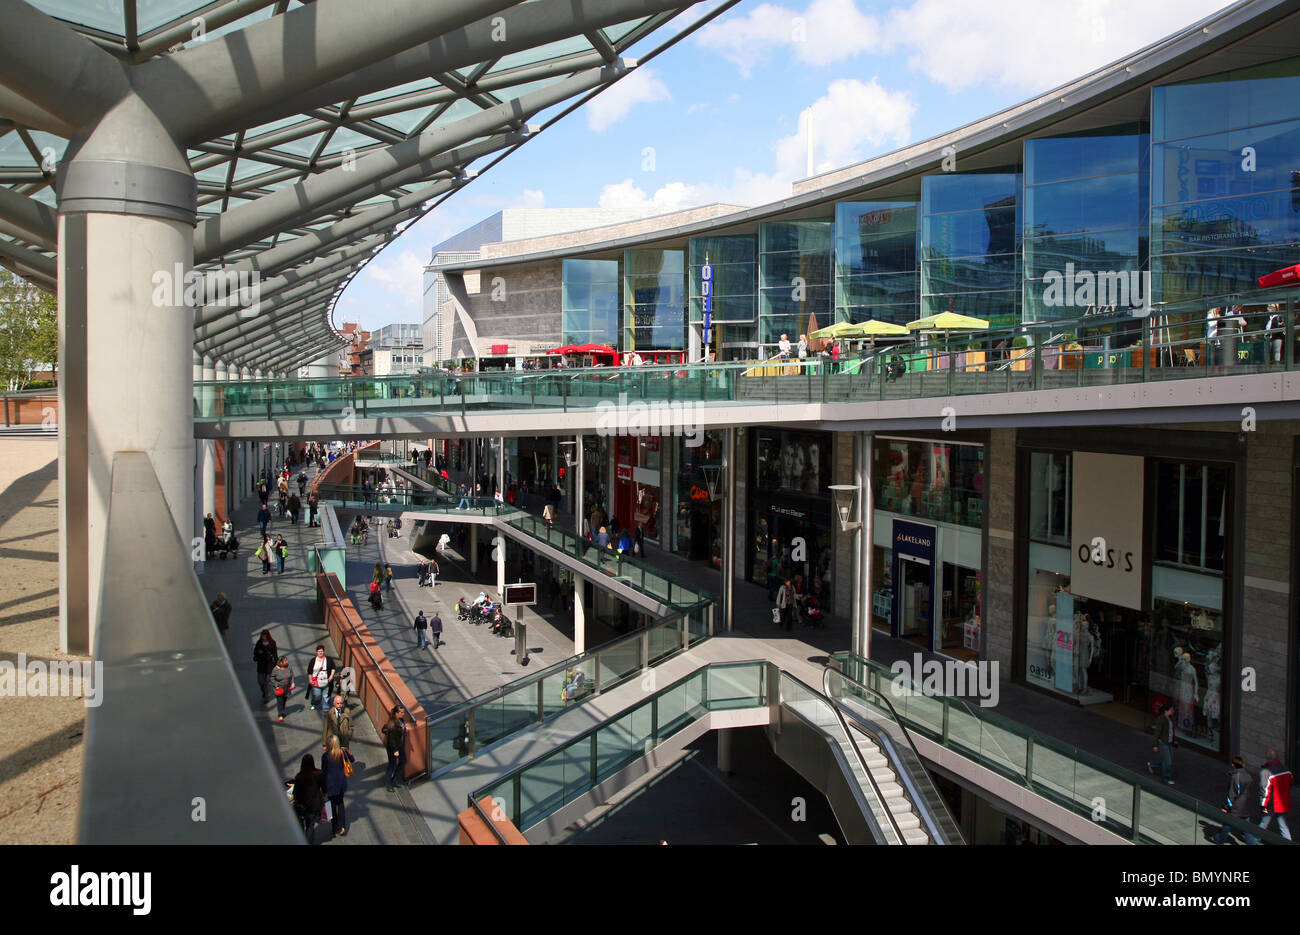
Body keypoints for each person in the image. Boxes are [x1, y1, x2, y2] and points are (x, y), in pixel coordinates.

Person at [1213, 755, 1256, 845]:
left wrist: (1225, 807)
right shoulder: (1249, 776)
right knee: (1247, 829)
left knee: (1227, 825)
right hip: (1246, 806)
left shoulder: (1235, 777)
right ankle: (1252, 843)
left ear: (1233, 765)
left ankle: (1220, 840)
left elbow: (1232, 795)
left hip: (1235, 807)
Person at [321, 735, 354, 838]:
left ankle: (334, 827)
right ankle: (342, 826)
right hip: (341, 783)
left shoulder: (326, 756)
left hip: (330, 784)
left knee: (332, 805)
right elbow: (352, 759)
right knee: (340, 803)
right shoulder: (342, 752)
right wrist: (348, 752)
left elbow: (324, 770)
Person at [1257, 749, 1293, 840]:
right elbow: (1291, 782)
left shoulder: (1266, 772)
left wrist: (1263, 805)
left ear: (1267, 757)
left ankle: (1254, 840)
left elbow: (1264, 790)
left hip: (1271, 803)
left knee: (1263, 823)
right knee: (1283, 826)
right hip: (1283, 802)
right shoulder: (1286, 770)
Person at [290, 754, 325, 843]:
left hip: (303, 804)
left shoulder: (299, 776)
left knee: (304, 822)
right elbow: (324, 788)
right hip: (314, 804)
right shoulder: (319, 774)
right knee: (310, 825)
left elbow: (296, 792)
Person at [1147, 702, 1176, 785]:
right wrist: (1155, 745)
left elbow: (1171, 731)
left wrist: (1174, 740)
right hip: (1163, 743)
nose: (1173, 711)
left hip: (1169, 742)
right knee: (1168, 761)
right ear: (1166, 711)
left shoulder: (1170, 718)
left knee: (1168, 760)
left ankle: (1152, 764)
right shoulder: (1161, 719)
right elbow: (1157, 732)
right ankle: (1166, 778)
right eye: (1171, 710)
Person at [382, 706, 407, 792]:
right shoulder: (393, 724)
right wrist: (395, 750)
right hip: (393, 747)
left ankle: (394, 778)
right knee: (392, 765)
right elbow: (391, 739)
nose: (403, 714)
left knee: (403, 761)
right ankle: (388, 783)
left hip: (399, 745)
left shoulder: (401, 721)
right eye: (402, 713)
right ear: (397, 713)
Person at [307, 645, 334, 712]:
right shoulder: (313, 661)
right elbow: (309, 671)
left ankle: (326, 708)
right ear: (316, 652)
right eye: (319, 651)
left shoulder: (328, 659)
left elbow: (333, 667)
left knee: (326, 695)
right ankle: (314, 703)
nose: (320, 652)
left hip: (326, 680)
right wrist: (310, 680)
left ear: (323, 652)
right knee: (317, 695)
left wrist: (331, 676)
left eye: (321, 651)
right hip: (316, 681)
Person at [253, 629, 278, 702]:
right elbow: (255, 652)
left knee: (266, 682)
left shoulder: (272, 643)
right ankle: (264, 692)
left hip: (269, 666)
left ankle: (266, 696)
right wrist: (259, 652)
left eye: (264, 635)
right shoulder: (259, 643)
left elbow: (275, 654)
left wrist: (276, 664)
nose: (263, 637)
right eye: (262, 635)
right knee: (260, 681)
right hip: (261, 665)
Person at [269, 656, 293, 721]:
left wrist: (292, 683)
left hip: (287, 687)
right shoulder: (275, 669)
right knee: (280, 701)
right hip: (279, 688)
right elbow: (272, 678)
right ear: (281, 662)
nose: (287, 662)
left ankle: (282, 709)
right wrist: (276, 685)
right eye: (285, 661)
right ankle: (280, 714)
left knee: (284, 700)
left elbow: (291, 675)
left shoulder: (289, 667)